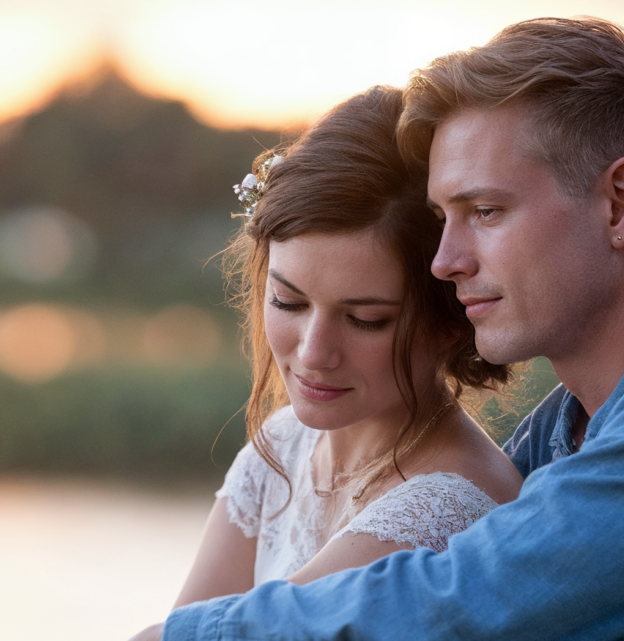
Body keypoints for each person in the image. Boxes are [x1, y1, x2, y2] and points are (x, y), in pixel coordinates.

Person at [156, 18, 624, 640]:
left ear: (620, 203)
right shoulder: (559, 433)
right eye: (445, 218)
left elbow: (458, 602)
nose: (448, 261)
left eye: (485, 212)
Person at [131, 86, 522, 639]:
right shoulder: (282, 445)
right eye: (288, 302)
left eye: (366, 319)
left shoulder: (448, 506)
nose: (313, 352)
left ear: (449, 321)